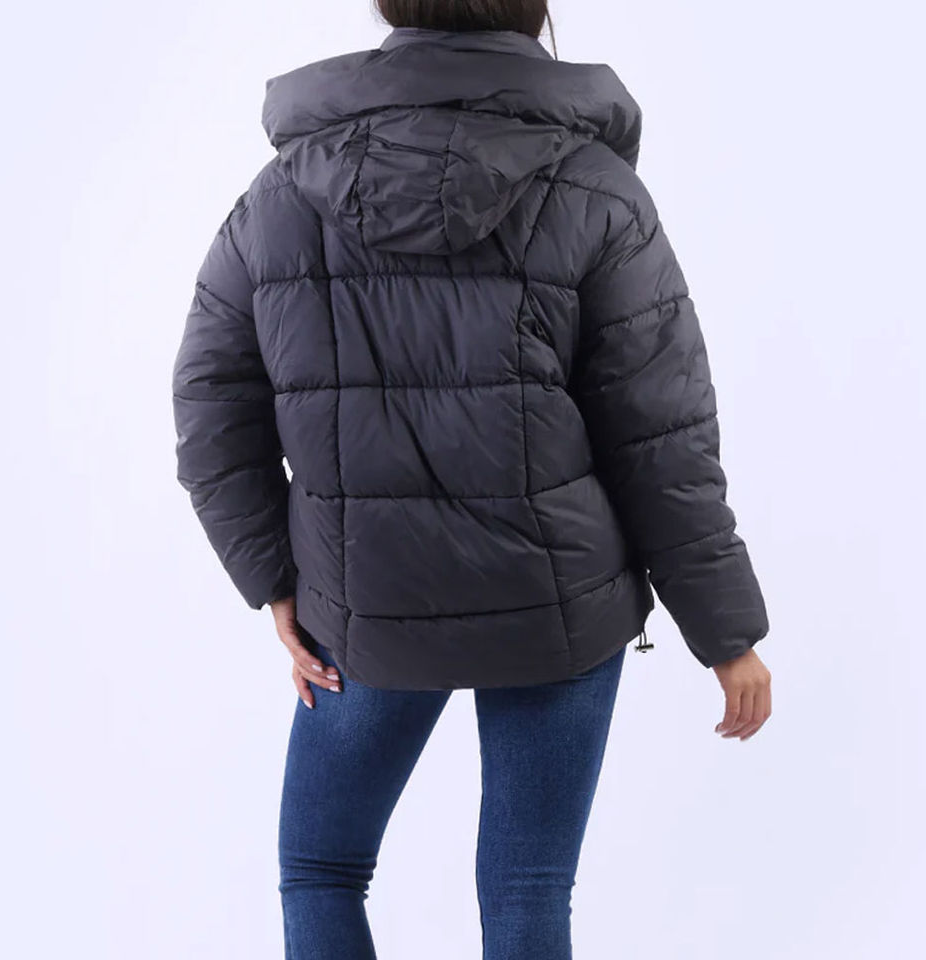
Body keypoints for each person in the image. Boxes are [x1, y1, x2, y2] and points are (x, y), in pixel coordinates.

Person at [171, 2, 772, 956]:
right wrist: (726, 632)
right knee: (528, 893)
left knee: (322, 871)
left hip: (362, 605)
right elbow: (662, 435)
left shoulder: (283, 194)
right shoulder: (598, 191)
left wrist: (276, 582)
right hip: (557, 606)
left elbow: (210, 406)